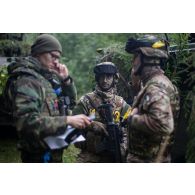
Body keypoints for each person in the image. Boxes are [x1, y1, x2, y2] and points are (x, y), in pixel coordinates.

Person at [5, 34, 91, 163]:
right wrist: (67, 121)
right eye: (53, 56)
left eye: (58, 58)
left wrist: (66, 80)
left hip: (52, 153)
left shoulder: (45, 78)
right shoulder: (28, 80)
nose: (56, 61)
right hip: (37, 157)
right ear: (39, 53)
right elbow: (26, 123)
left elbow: (70, 103)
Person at [125, 35, 180, 163]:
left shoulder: (156, 87)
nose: (133, 62)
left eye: (135, 57)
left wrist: (133, 118)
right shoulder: (157, 83)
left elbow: (163, 125)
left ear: (147, 58)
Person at [73, 62, 131, 162]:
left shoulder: (121, 103)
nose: (105, 80)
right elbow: (72, 125)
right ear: (97, 78)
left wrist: (123, 146)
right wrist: (90, 125)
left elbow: (130, 128)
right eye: (101, 77)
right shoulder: (86, 101)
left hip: (116, 155)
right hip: (90, 155)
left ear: (114, 78)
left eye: (108, 77)